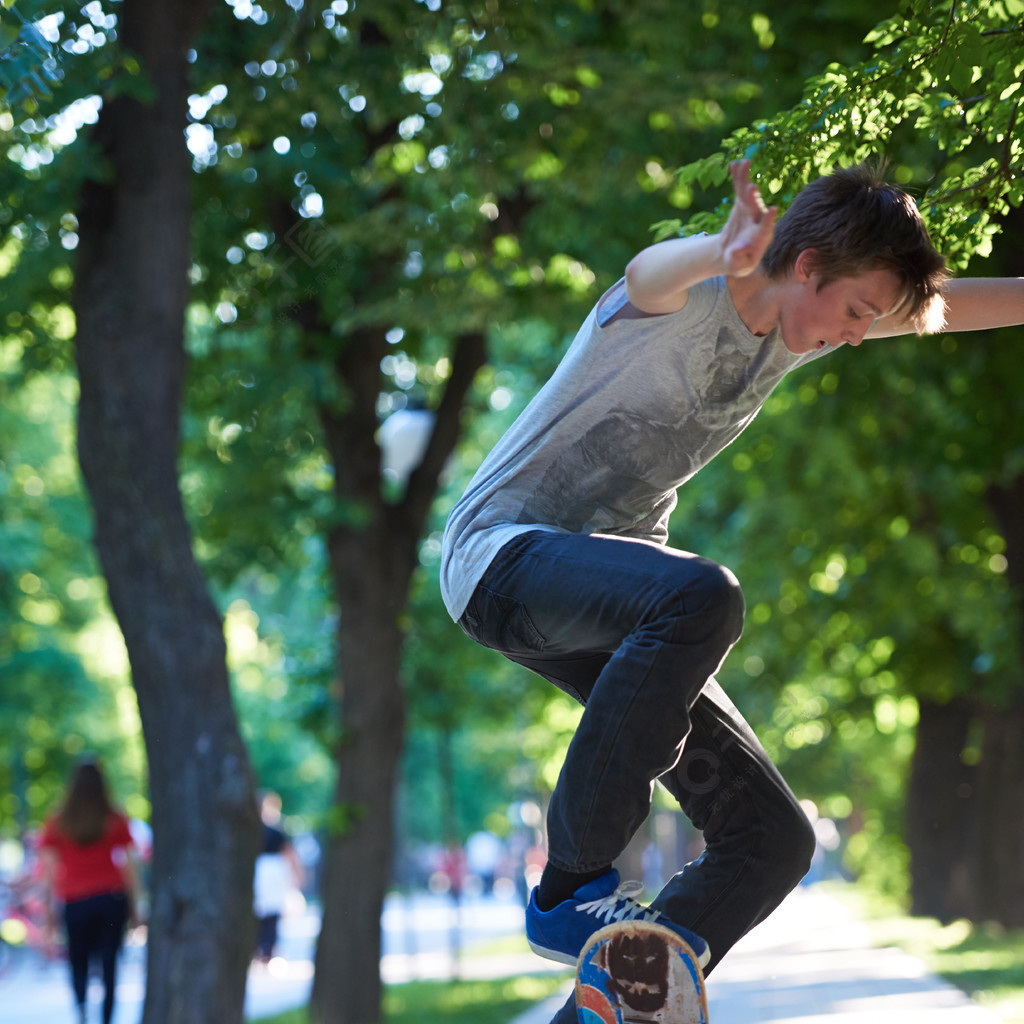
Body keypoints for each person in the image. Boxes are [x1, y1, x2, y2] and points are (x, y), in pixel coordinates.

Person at [439, 159, 1024, 1023]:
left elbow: (952, 307)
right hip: (503, 562)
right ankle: (569, 887)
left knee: (773, 838)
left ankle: (611, 1006)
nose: (861, 335)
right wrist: (720, 249)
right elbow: (649, 271)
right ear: (808, 263)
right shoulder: (689, 296)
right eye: (857, 311)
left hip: (620, 615)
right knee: (704, 596)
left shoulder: (799, 330)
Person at [38, 759, 141, 1024]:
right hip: (111, 898)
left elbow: (48, 874)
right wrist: (135, 905)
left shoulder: (59, 820)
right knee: (109, 963)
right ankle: (107, 1018)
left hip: (76, 901)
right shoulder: (114, 817)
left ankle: (83, 1011)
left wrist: (49, 914)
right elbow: (130, 866)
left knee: (78, 961)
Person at [253, 791, 304, 964]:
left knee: (268, 911)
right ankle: (264, 951)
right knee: (267, 912)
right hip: (269, 873)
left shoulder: (272, 831)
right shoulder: (272, 830)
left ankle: (264, 951)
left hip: (265, 873)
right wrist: (297, 874)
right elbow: (290, 854)